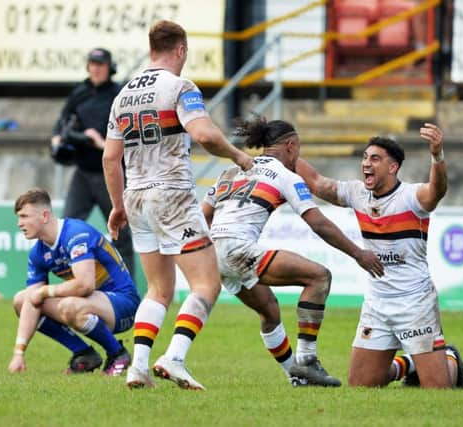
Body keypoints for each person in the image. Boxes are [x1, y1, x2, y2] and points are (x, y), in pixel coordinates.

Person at [103, 20, 253, 390]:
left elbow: (110, 158)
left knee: (158, 289)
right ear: (181, 50)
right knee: (206, 284)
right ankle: (174, 358)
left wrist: (117, 205)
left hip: (136, 197)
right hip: (171, 194)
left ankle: (138, 367)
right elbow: (203, 133)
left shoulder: (122, 96)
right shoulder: (180, 87)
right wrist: (239, 156)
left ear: (152, 48)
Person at [201, 115, 384, 387]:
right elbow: (318, 222)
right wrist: (358, 253)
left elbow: (203, 216)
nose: (298, 155)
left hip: (211, 252)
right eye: (298, 148)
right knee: (319, 277)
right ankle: (307, 360)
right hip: (238, 248)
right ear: (290, 145)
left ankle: (297, 376)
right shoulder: (285, 175)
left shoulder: (231, 171)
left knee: (269, 311)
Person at [296, 123, 463, 389]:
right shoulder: (357, 193)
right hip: (377, 302)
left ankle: (450, 358)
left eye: (375, 159)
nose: (366, 163)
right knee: (361, 384)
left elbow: (437, 191)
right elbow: (318, 184)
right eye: (365, 158)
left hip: (415, 302)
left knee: (438, 390)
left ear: (393, 167)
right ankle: (407, 364)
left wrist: (437, 155)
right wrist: (284, 155)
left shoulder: (411, 197)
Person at [8, 188, 140, 376]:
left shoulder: (75, 234)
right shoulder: (38, 252)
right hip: (93, 303)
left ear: (45, 215)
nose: (19, 223)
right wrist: (18, 352)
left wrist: (46, 292)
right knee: (21, 300)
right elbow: (31, 300)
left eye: (24, 216)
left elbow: (85, 285)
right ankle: (85, 354)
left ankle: (117, 353)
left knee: (69, 306)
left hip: (123, 303)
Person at [51, 47, 135, 279]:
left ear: (110, 68)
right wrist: (57, 138)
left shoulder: (120, 95)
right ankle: (78, 285)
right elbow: (62, 122)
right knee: (66, 230)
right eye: (92, 64)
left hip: (111, 173)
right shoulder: (80, 93)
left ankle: (127, 293)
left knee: (121, 235)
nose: (96, 69)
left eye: (101, 65)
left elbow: (129, 134)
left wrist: (101, 143)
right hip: (83, 172)